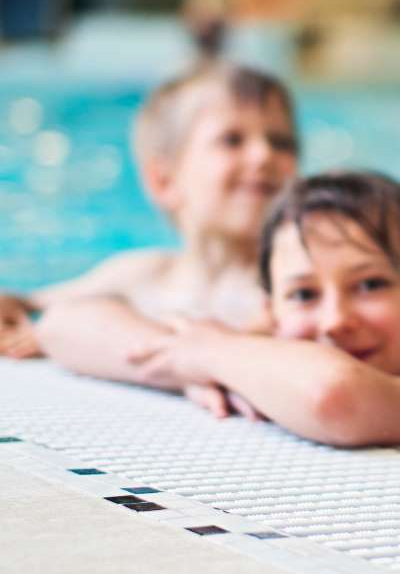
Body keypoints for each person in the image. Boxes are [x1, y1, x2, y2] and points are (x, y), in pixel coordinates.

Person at [112, 171, 400, 448]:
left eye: (370, 285)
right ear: (272, 313)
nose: (335, 320)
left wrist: (208, 353)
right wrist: (183, 365)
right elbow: (66, 324)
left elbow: (335, 395)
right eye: (303, 294)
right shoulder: (236, 361)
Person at [25, 63, 299, 394]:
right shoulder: (141, 274)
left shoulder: (292, 289)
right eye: (232, 140)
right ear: (165, 180)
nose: (263, 155)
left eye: (281, 142)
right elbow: (32, 304)